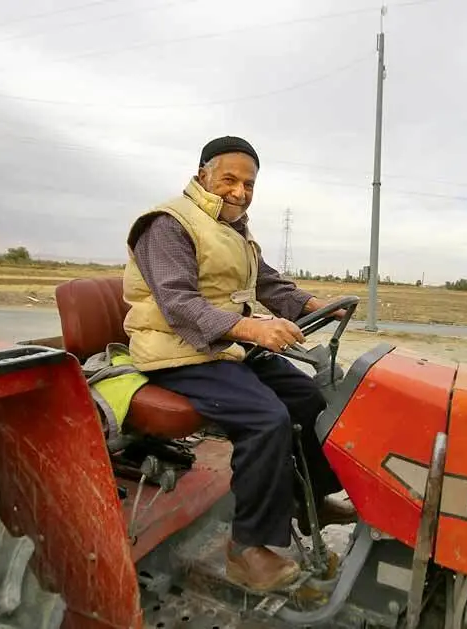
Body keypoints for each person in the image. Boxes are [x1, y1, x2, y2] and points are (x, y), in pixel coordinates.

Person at [121, 135, 357, 592]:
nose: (240, 191)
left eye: (249, 184)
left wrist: (314, 303)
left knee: (308, 397)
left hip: (222, 346)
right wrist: (252, 329)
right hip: (174, 349)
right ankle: (245, 548)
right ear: (203, 172)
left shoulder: (235, 230)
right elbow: (179, 304)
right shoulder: (167, 224)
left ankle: (309, 505)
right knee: (266, 418)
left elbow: (268, 283)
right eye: (230, 179)